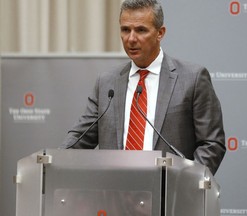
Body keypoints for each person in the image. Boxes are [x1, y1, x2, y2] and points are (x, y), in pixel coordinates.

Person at [61, 0, 226, 175]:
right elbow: (79, 139)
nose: (131, 39)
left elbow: (212, 144)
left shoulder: (192, 79)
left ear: (160, 33)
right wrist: (50, 165)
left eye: (141, 30)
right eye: (125, 30)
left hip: (170, 194)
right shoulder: (107, 83)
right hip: (115, 194)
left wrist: (186, 184)